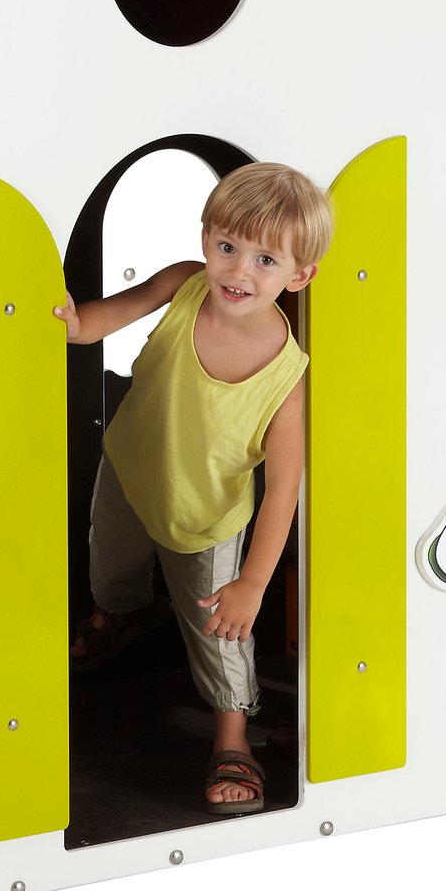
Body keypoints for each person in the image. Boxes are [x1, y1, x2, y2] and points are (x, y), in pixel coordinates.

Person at [54, 162, 332, 816]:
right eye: (227, 246)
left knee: (219, 631)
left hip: (206, 518)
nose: (238, 271)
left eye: (265, 260)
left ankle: (232, 737)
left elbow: (282, 490)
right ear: (205, 237)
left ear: (299, 276)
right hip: (130, 470)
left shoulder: (287, 377)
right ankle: (122, 614)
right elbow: (101, 319)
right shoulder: (184, 285)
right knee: (108, 569)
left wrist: (252, 585)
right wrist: (68, 321)